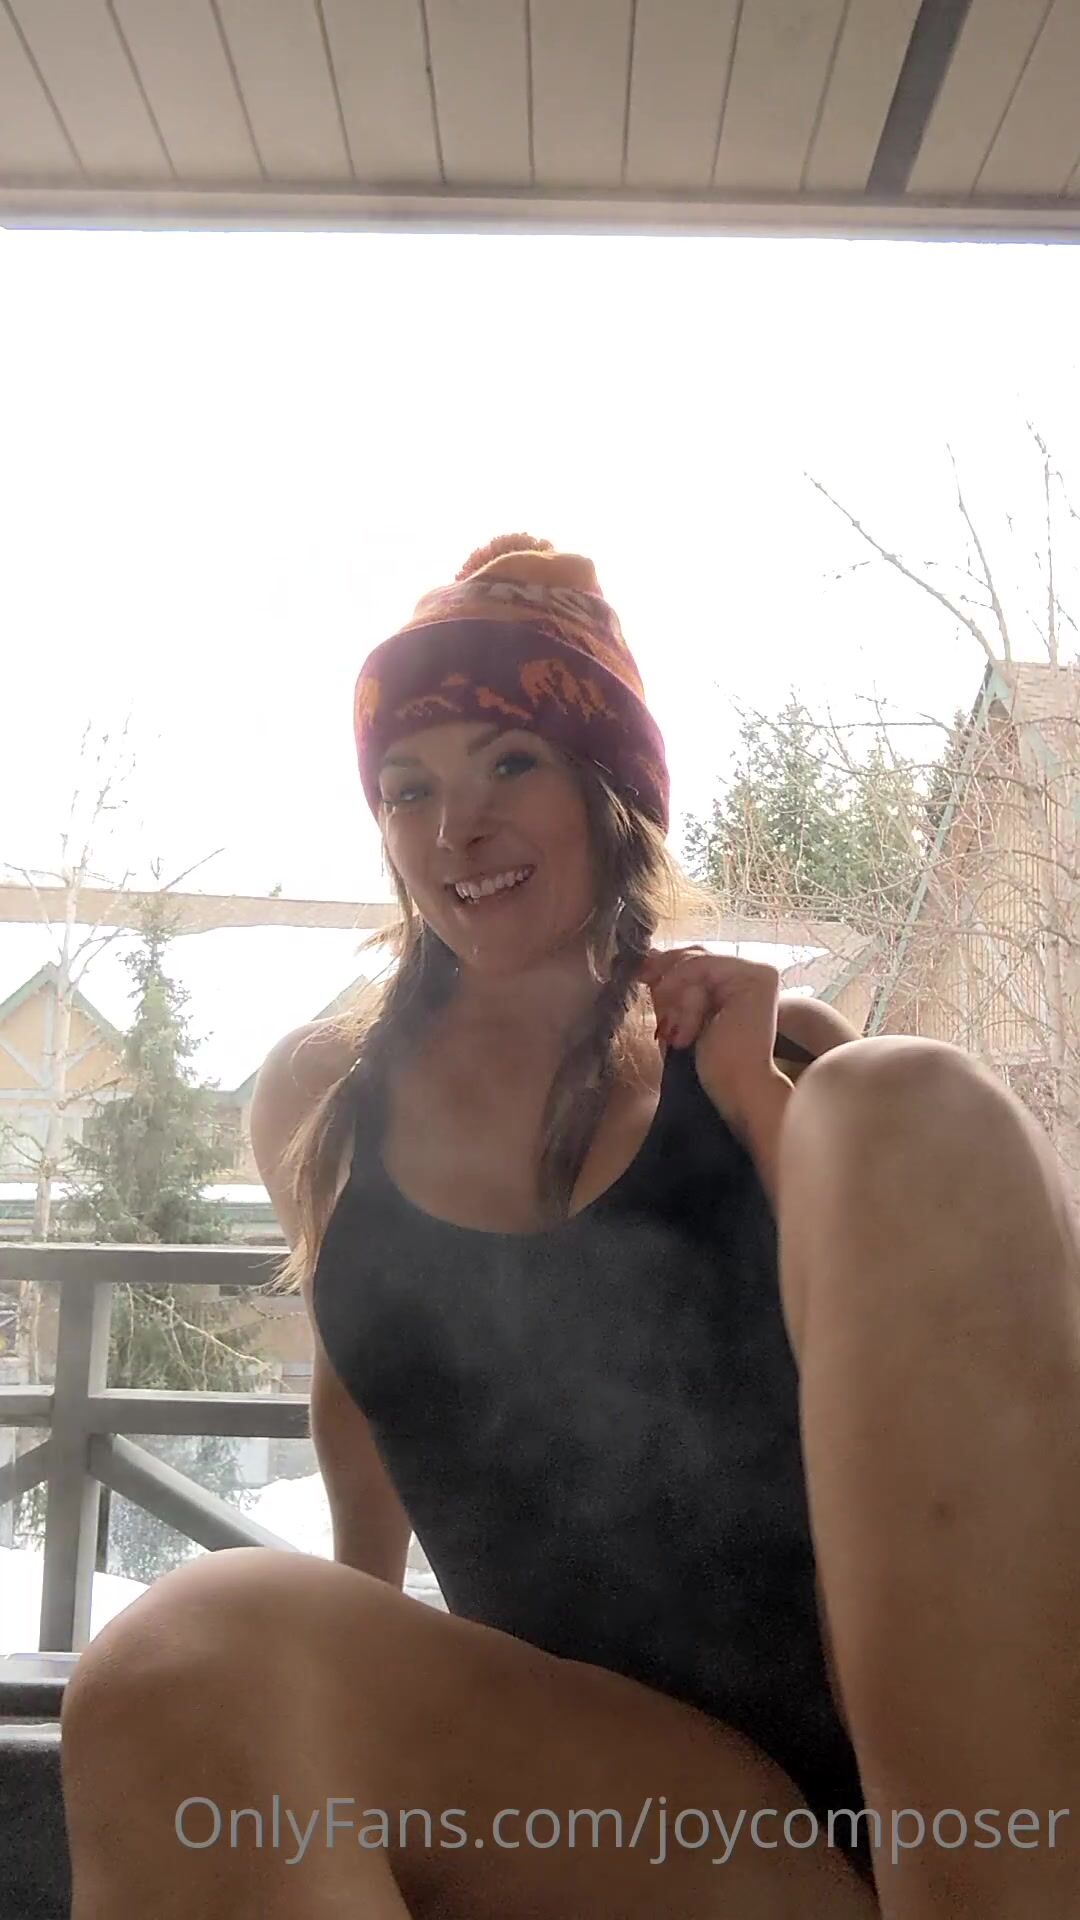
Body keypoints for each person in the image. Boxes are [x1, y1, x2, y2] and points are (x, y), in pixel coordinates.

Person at [61, 537, 1080, 1920]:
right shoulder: (326, 1098)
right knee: (189, 1649)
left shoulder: (794, 1071)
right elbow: (359, 1406)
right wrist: (340, 1677)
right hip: (606, 1803)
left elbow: (933, 1419)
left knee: (903, 1094)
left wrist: (750, 1101)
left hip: (896, 1816)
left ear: (613, 793)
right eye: (409, 789)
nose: (456, 829)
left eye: (510, 764)